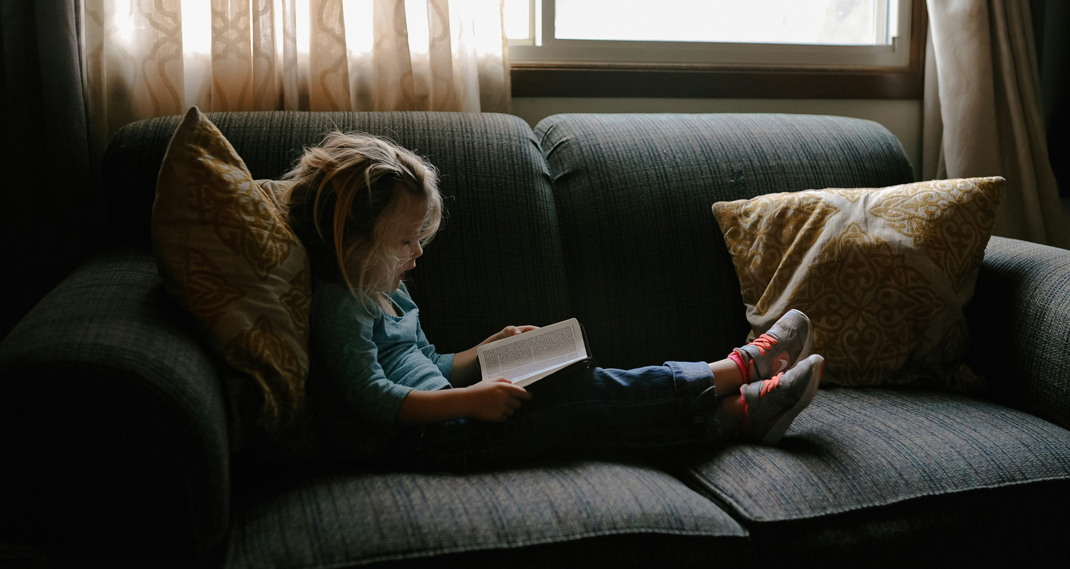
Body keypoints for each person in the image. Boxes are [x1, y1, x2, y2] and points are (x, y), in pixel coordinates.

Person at [284, 131, 824, 471]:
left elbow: (429, 365)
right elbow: (375, 397)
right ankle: (739, 367)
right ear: (352, 241)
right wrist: (472, 400)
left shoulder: (386, 286)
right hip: (430, 442)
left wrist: (483, 352)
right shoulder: (340, 305)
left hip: (450, 415)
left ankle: (738, 414)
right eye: (404, 241)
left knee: (583, 398)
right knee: (578, 393)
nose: (418, 252)